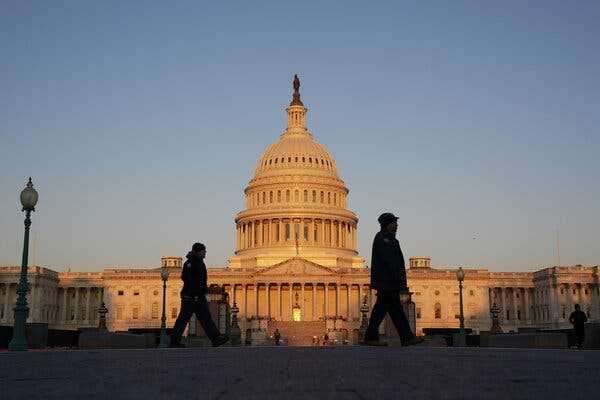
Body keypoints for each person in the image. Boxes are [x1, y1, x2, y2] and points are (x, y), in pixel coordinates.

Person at [362, 213, 423, 346]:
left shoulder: (391, 239)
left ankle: (404, 337)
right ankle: (403, 337)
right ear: (386, 224)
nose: (396, 226)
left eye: (396, 224)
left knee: (393, 310)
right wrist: (397, 281)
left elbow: (397, 263)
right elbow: (389, 262)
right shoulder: (382, 239)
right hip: (387, 281)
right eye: (393, 223)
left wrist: (401, 281)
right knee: (388, 310)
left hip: (391, 281)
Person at [170, 243, 229, 347]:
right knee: (183, 319)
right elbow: (187, 279)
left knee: (206, 318)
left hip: (197, 296)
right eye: (203, 251)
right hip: (191, 296)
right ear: (199, 252)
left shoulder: (198, 262)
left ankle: (216, 339)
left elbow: (200, 280)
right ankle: (174, 341)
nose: (205, 253)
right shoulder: (190, 263)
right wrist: (196, 293)